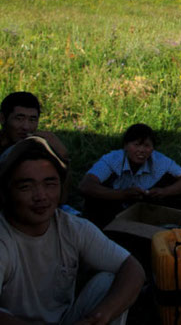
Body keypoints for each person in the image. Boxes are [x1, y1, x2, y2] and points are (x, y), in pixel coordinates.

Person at [0, 135, 145, 325]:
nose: (41, 196)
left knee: (108, 282)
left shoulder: (71, 228)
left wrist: (100, 316)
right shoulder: (4, 238)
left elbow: (133, 268)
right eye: (26, 186)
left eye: (50, 184)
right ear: (6, 192)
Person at [79, 123, 181, 228]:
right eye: (136, 145)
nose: (141, 150)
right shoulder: (113, 159)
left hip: (144, 205)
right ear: (125, 146)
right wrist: (122, 195)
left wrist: (164, 191)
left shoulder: (159, 160)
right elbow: (86, 186)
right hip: (112, 203)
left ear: (152, 149)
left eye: (147, 146)